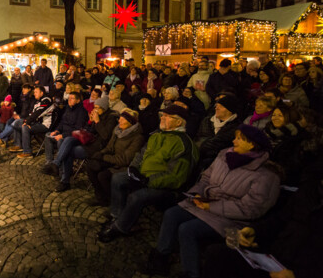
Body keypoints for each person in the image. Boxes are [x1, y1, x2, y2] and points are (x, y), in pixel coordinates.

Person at [144, 124, 280, 278]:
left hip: (231, 219)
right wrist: (196, 193)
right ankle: (161, 257)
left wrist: (211, 207)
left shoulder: (266, 176)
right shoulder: (224, 155)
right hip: (205, 204)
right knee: (171, 214)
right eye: (235, 137)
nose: (234, 141)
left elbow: (251, 209)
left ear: (252, 145)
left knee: (187, 229)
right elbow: (206, 178)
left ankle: (191, 273)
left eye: (239, 139)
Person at [202, 160, 323, 278]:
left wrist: (299, 275)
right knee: (217, 253)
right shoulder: (310, 189)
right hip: (277, 256)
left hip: (304, 268)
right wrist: (253, 231)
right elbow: (280, 219)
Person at [98, 105, 199, 243]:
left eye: (166, 116)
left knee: (137, 196)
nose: (161, 118)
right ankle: (117, 216)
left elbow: (176, 177)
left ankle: (120, 227)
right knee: (118, 178)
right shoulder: (156, 135)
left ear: (178, 122)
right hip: (142, 177)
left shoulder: (184, 144)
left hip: (163, 186)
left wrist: (147, 181)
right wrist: (133, 168)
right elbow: (141, 154)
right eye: (162, 115)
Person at [44, 96, 119, 192]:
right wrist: (90, 122)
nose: (95, 110)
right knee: (68, 140)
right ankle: (56, 164)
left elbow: (105, 136)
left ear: (103, 107)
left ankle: (64, 181)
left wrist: (97, 121)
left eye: (97, 108)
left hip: (97, 147)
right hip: (87, 140)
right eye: (94, 107)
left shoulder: (111, 118)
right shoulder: (98, 115)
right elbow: (89, 131)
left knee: (69, 151)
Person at [85, 109, 145, 206]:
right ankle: (100, 197)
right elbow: (109, 147)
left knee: (102, 176)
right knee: (90, 166)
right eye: (119, 118)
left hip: (123, 166)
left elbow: (125, 159)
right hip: (111, 160)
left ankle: (114, 202)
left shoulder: (137, 138)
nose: (119, 121)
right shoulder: (118, 130)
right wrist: (100, 153)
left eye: (122, 119)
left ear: (130, 122)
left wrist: (104, 157)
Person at [195, 95, 242, 169]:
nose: (216, 108)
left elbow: (220, 146)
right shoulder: (207, 121)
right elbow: (199, 137)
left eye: (221, 106)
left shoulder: (236, 127)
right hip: (199, 156)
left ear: (230, 110)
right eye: (216, 105)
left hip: (219, 163)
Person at [42, 92, 88, 166]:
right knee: (48, 135)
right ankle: (49, 161)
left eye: (72, 98)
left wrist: (62, 135)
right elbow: (62, 122)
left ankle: (61, 167)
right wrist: (57, 130)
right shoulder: (67, 108)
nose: (69, 100)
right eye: (69, 98)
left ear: (78, 100)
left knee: (61, 141)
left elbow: (77, 129)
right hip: (63, 133)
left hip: (71, 137)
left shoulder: (81, 112)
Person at [9, 86, 53, 158]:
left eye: (36, 92)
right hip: (36, 122)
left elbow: (38, 113)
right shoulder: (37, 102)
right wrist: (26, 120)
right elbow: (32, 113)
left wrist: (27, 122)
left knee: (25, 127)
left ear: (42, 93)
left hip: (44, 124)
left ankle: (27, 152)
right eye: (34, 92)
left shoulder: (46, 100)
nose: (34, 94)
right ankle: (18, 145)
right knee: (17, 123)